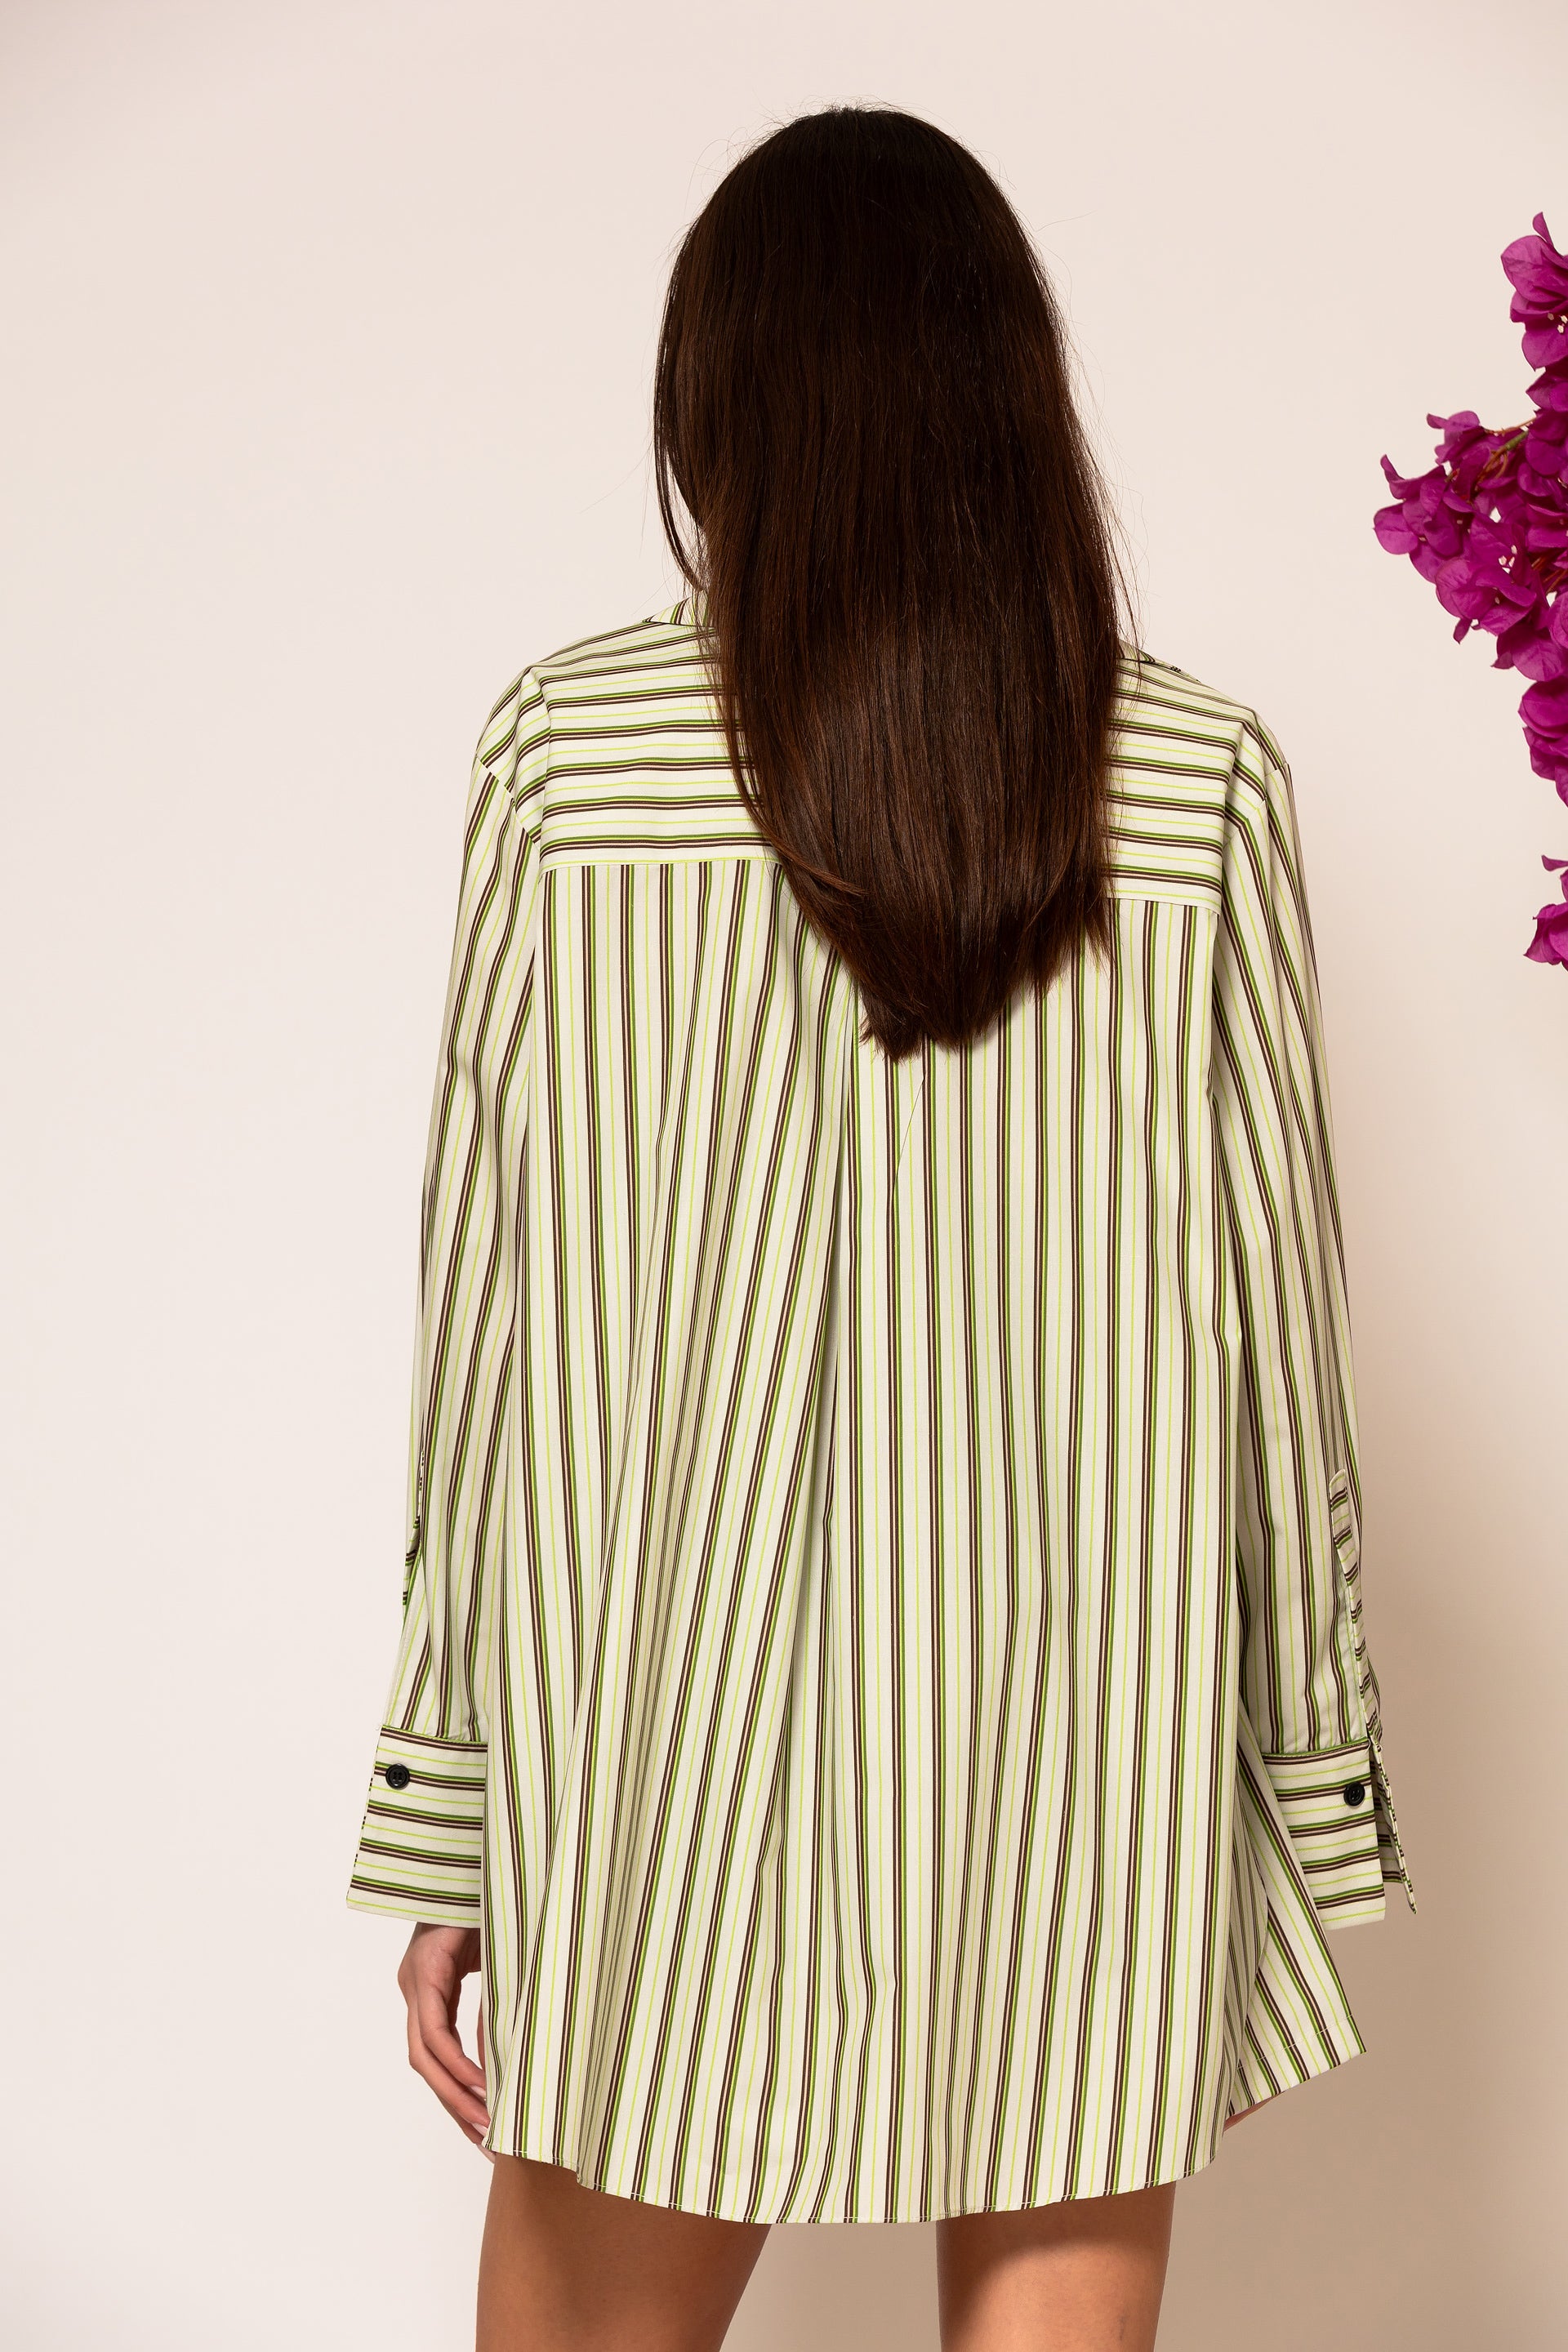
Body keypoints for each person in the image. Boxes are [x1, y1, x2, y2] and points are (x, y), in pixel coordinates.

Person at [347, 103, 1414, 2352]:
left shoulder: (567, 760)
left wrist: (451, 1809)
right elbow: (1283, 1347)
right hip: (1090, 1747)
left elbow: (490, 1333)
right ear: (1013, 398)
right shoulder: (1195, 783)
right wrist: (1305, 1799)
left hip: (660, 1738)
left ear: (710, 402)